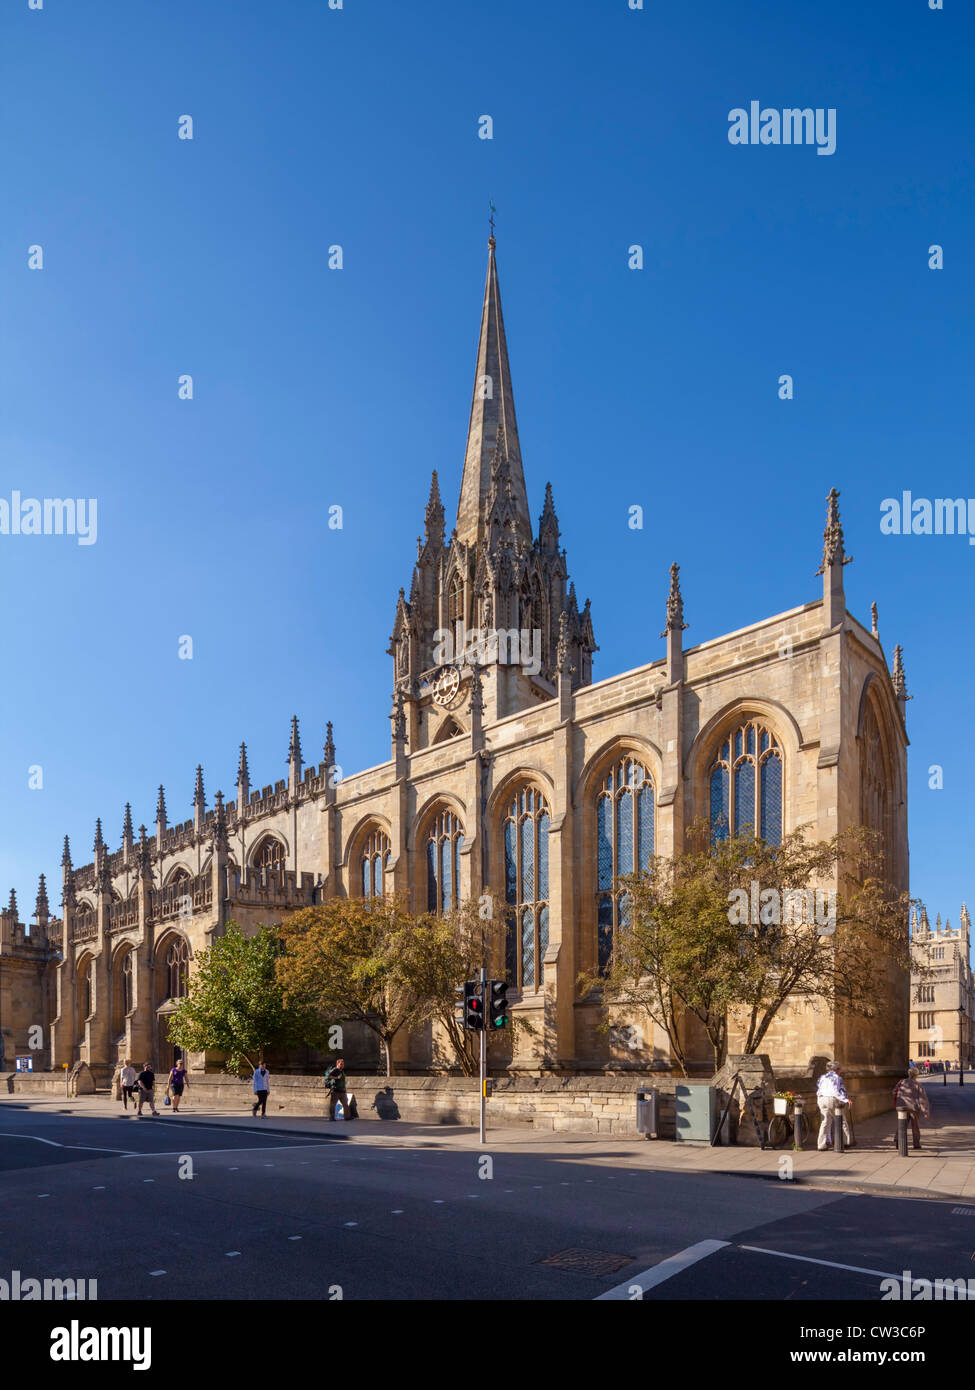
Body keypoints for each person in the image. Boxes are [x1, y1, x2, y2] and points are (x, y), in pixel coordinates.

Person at [816, 1062, 852, 1151]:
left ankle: (821, 1145)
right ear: (837, 1070)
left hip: (821, 1099)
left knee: (825, 1122)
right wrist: (846, 1100)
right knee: (841, 1121)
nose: (840, 1071)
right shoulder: (837, 1078)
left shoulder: (822, 1077)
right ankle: (845, 1142)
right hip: (831, 1099)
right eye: (840, 1069)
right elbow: (836, 1091)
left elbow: (818, 1090)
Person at [893, 1066, 930, 1150]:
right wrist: (925, 1111)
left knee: (902, 1124)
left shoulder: (901, 1082)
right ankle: (916, 1144)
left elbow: (894, 1091)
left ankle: (898, 1140)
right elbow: (922, 1099)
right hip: (914, 1108)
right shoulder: (918, 1085)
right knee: (915, 1126)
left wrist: (900, 1100)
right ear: (916, 1075)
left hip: (902, 1107)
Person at [325, 1056, 351, 1121]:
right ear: (337, 1064)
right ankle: (332, 1117)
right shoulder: (335, 1070)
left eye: (343, 1064)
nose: (342, 1065)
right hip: (335, 1090)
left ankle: (347, 1117)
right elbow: (328, 1076)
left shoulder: (342, 1071)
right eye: (341, 1064)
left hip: (342, 1090)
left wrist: (345, 1089)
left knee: (345, 1104)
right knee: (333, 1104)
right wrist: (337, 1078)